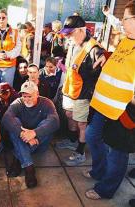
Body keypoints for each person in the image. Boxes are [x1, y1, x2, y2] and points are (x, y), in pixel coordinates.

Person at [83, 0, 135, 200]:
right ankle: (98, 170)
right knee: (92, 137)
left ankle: (106, 189)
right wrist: (108, 55)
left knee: (117, 154)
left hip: (122, 113)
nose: (121, 22)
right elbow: (124, 59)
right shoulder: (127, 39)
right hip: (102, 105)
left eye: (126, 18)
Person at [56, 15, 104, 166]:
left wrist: (103, 57)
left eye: (70, 33)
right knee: (69, 115)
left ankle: (80, 152)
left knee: (81, 123)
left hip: (83, 93)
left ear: (80, 30)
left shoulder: (93, 48)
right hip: (70, 89)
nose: (68, 36)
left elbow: (102, 57)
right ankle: (71, 140)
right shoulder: (72, 43)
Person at [2, 81, 59, 188]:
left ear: (37, 94)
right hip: (25, 139)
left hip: (39, 143)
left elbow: (55, 121)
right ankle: (29, 169)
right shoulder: (18, 103)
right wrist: (22, 133)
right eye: (24, 96)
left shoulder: (46, 103)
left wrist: (35, 133)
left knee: (46, 124)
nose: (27, 99)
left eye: (30, 96)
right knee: (15, 125)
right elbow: (6, 118)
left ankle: (18, 158)